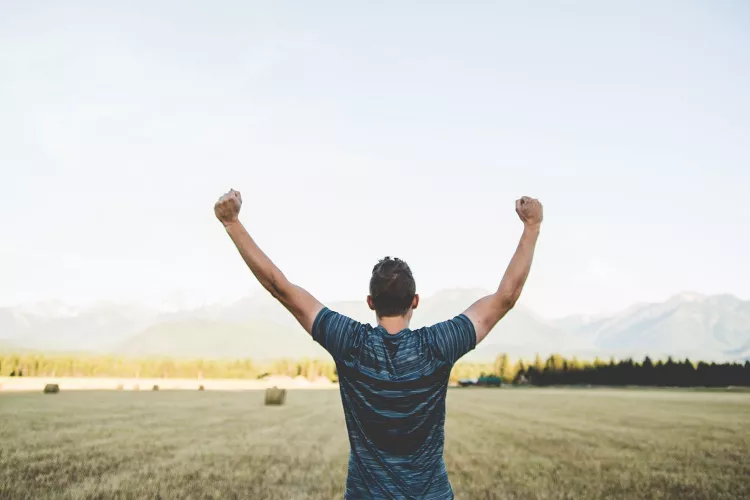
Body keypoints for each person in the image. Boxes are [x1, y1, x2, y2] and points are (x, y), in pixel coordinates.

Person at [214, 189, 543, 500]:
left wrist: (232, 223)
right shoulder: (438, 345)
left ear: (371, 301)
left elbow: (280, 287)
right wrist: (532, 226)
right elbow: (506, 297)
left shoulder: (350, 342)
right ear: (415, 300)